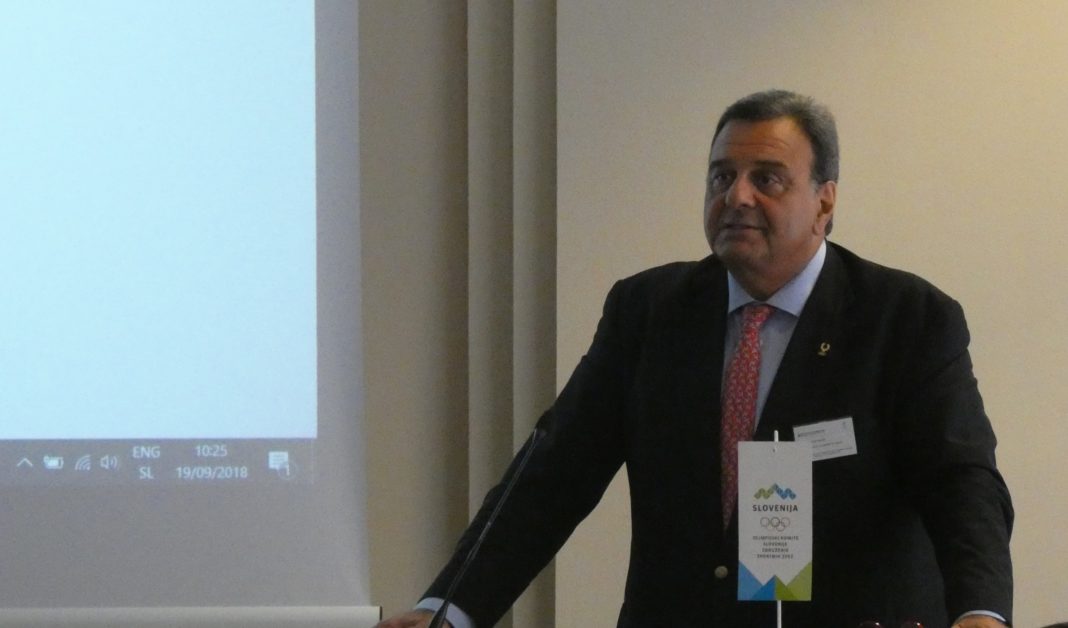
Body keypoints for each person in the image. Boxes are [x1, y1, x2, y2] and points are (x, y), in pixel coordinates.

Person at [377, 90, 1014, 628]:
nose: (737, 196)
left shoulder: (906, 319)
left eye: (767, 178)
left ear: (825, 202)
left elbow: (963, 484)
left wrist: (980, 613)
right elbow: (551, 475)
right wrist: (449, 610)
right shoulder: (648, 311)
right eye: (721, 176)